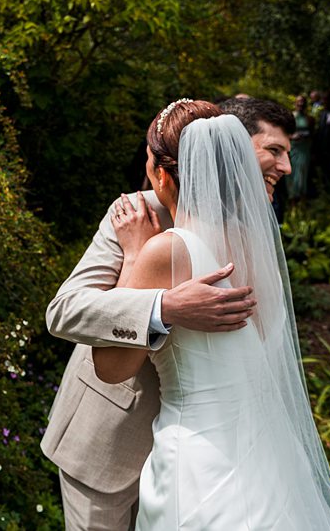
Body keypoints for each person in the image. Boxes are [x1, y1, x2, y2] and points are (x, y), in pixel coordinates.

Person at [41, 98, 293, 531]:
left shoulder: (251, 234)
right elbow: (65, 310)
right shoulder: (135, 214)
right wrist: (162, 302)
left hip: (203, 449)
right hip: (109, 442)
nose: (284, 166)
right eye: (274, 150)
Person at [92, 111, 330, 529]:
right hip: (271, 461)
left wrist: (135, 255)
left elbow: (111, 366)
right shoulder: (257, 247)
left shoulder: (166, 251)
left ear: (162, 175)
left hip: (199, 463)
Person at [288, 94, 315, 203]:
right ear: (295, 103)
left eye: (303, 102)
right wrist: (292, 137)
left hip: (304, 149)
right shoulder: (291, 117)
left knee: (302, 174)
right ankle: (292, 202)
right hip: (292, 148)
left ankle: (301, 201)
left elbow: (313, 134)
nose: (300, 104)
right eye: (298, 101)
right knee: (291, 174)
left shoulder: (310, 119)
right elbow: (285, 133)